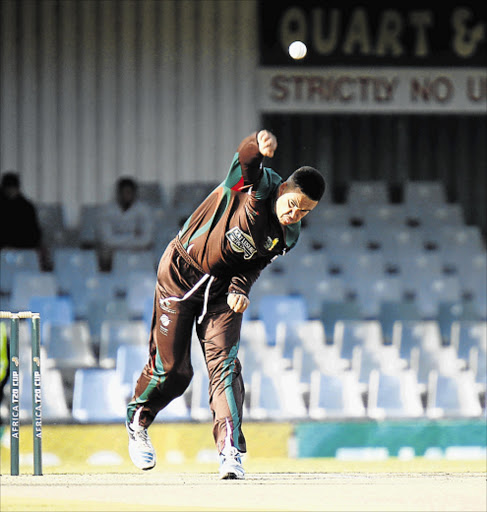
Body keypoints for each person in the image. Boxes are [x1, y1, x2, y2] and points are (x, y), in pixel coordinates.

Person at [125, 130, 325, 479]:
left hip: (221, 295)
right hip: (181, 272)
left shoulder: (288, 235)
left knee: (225, 368)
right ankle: (137, 421)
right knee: (174, 372)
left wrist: (240, 288)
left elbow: (254, 264)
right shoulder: (256, 186)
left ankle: (230, 452)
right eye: (292, 204)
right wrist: (256, 146)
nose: (295, 214)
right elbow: (248, 163)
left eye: (305, 211)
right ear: (283, 190)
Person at [98, 177, 154, 270]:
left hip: (138, 251)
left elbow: (147, 240)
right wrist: (133, 237)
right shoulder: (107, 211)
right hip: (113, 253)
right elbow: (106, 240)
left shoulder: (144, 210)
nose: (127, 196)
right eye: (124, 192)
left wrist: (118, 239)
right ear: (118, 193)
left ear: (134, 194)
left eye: (129, 193)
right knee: (103, 254)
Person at [0, 172, 42, 250]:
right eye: (8, 188)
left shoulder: (26, 207)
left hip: (22, 248)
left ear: (17, 189)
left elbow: (34, 233)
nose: (10, 191)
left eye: (13, 188)